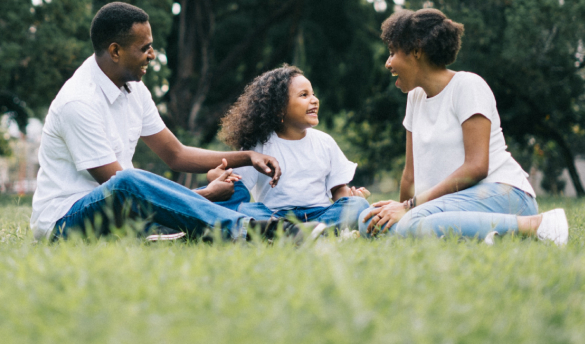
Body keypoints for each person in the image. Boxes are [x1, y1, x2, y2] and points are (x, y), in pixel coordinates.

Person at [30, 2, 306, 242]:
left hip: (123, 209)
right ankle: (247, 230)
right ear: (115, 51)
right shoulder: (78, 102)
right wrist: (204, 195)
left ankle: (289, 223)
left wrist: (247, 157)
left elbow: (176, 155)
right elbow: (121, 190)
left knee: (232, 192)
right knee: (128, 180)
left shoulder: (134, 89)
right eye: (145, 48)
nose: (152, 54)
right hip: (66, 220)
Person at [359, 8, 568, 246]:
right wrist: (397, 212)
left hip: (502, 193)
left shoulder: (468, 86)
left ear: (416, 50)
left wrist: (409, 208)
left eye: (392, 52)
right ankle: (482, 234)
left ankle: (538, 225)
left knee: (412, 223)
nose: (388, 63)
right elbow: (410, 175)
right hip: (450, 203)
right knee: (369, 222)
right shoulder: (415, 98)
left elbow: (476, 167)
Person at [212, 65, 370, 232]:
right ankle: (299, 231)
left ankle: (303, 231)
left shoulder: (325, 142)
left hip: (320, 214)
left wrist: (350, 199)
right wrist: (220, 177)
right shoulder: (259, 145)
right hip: (275, 216)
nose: (314, 100)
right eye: (304, 95)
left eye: (313, 94)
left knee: (358, 205)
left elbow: (338, 189)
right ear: (279, 108)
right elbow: (239, 188)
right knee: (246, 210)